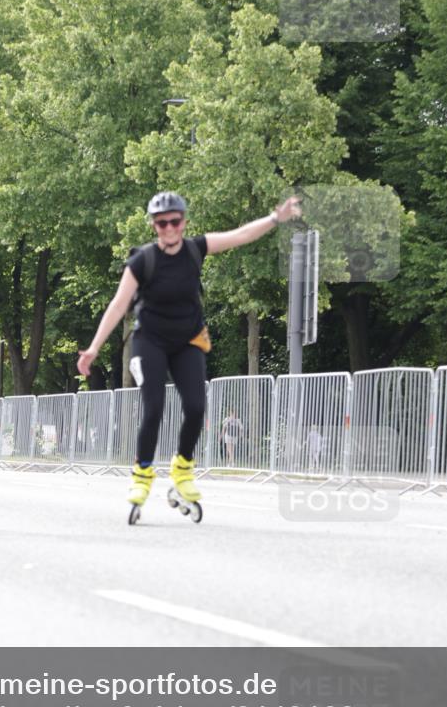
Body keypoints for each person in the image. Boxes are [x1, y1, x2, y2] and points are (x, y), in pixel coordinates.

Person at [77, 190, 301, 511]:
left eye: (174, 221)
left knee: (196, 407)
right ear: (154, 226)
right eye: (161, 223)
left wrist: (275, 219)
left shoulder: (196, 249)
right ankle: (142, 474)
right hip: (149, 340)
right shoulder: (143, 260)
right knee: (154, 407)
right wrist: (93, 348)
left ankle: (182, 468)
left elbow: (239, 236)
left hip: (188, 340)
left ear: (183, 223)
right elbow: (117, 305)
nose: (168, 228)